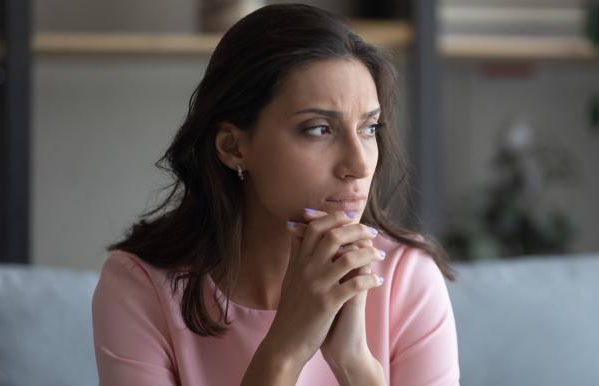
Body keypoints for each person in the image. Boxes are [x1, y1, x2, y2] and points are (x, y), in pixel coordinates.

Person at [92, 3, 460, 385]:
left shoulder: (407, 277)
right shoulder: (140, 287)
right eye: (318, 129)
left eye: (369, 129)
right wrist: (286, 348)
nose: (359, 165)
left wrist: (353, 364)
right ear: (233, 147)